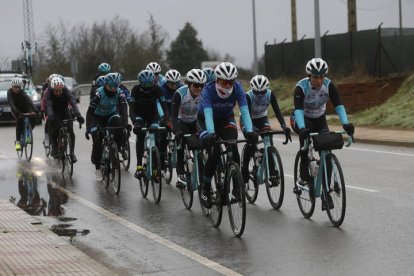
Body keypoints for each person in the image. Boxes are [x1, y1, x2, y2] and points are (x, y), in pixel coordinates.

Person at [198, 62, 258, 208]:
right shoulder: (208, 90)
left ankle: (237, 186)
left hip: (226, 118)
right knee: (215, 151)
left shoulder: (237, 88)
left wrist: (249, 131)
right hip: (207, 120)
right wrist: (211, 133)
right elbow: (207, 113)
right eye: (224, 82)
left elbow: (244, 111)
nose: (227, 86)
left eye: (230, 82)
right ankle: (205, 187)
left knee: (232, 145)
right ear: (217, 80)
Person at [290, 58, 354, 193]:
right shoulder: (301, 87)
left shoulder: (329, 85)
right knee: (305, 144)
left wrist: (346, 124)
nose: (319, 80)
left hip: (319, 117)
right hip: (302, 117)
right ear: (309, 76)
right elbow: (299, 109)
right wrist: (301, 128)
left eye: (321, 77)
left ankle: (326, 187)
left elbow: (339, 106)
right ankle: (303, 177)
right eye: (315, 77)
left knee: (327, 148)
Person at [240, 75, 292, 183]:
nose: (259, 95)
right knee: (252, 139)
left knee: (268, 139)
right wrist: (253, 130)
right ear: (252, 89)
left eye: (262, 92)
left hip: (262, 118)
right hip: (247, 119)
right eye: (256, 92)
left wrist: (284, 127)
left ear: (266, 89)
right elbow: (247, 116)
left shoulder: (270, 94)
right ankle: (244, 169)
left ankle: (272, 172)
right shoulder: (248, 96)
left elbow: (277, 112)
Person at [85, 73, 128, 181]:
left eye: (115, 86)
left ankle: (117, 150)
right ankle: (98, 168)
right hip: (97, 117)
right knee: (98, 140)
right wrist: (88, 128)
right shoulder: (99, 93)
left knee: (119, 127)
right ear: (105, 85)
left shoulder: (119, 92)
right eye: (110, 86)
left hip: (111, 114)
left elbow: (123, 107)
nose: (113, 89)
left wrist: (125, 123)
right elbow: (89, 112)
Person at [129, 69, 169, 178]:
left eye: (149, 83)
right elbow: (131, 109)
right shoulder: (136, 89)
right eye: (145, 84)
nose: (147, 86)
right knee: (140, 136)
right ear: (140, 83)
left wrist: (165, 120)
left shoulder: (157, 89)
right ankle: (139, 166)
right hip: (139, 116)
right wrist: (135, 123)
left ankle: (156, 168)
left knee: (156, 138)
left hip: (152, 116)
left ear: (153, 82)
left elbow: (164, 106)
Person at [171, 69, 206, 189]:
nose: (199, 88)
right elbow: (173, 116)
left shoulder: (204, 94)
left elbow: (206, 114)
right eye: (196, 85)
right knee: (181, 143)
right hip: (181, 121)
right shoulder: (180, 94)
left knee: (200, 147)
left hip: (195, 121)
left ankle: (203, 178)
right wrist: (177, 131)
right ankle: (180, 174)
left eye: (202, 85)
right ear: (189, 84)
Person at [45, 77, 84, 162]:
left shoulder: (66, 91)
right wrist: (51, 116)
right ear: (53, 89)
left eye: (60, 91)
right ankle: (54, 147)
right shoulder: (48, 93)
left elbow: (73, 102)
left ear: (62, 88)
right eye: (56, 91)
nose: (58, 93)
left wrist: (78, 115)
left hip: (64, 110)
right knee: (56, 127)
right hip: (54, 111)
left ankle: (72, 153)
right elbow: (49, 105)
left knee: (71, 131)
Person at [7, 77, 38, 150]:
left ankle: (27, 132)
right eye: (15, 87)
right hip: (16, 109)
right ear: (12, 86)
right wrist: (17, 113)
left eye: (18, 87)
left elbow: (29, 101)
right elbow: (11, 104)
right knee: (20, 122)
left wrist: (35, 110)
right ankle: (17, 141)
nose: (17, 89)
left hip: (25, 108)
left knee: (34, 118)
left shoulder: (22, 92)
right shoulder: (9, 92)